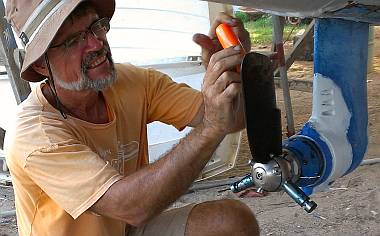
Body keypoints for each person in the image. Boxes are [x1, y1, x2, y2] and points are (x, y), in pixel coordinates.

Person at [4, 0, 259, 235]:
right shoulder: (35, 134)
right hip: (129, 213)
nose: (96, 44)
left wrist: (233, 72)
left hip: (126, 230)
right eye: (73, 41)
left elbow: (232, 119)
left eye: (96, 26)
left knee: (231, 223)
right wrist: (211, 128)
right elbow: (132, 207)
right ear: (39, 64)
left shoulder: (133, 83)